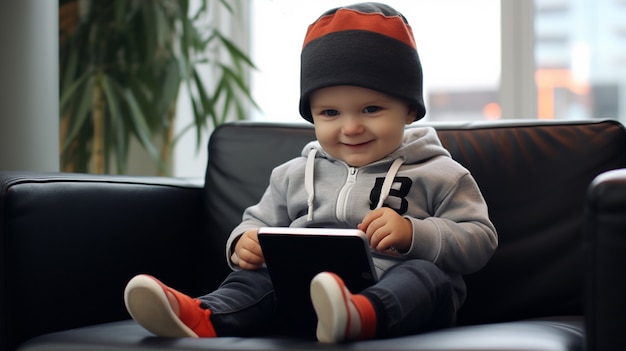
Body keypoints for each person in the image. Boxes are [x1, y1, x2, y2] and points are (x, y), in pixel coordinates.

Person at [124, 2, 498, 343]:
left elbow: (480, 239)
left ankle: (362, 315)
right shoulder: (292, 174)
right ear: (313, 116)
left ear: (410, 111)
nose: (350, 127)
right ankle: (203, 314)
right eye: (330, 113)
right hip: (306, 297)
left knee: (423, 276)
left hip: (404, 303)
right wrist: (244, 244)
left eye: (371, 109)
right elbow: (255, 222)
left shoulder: (442, 173)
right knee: (253, 278)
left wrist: (415, 233)